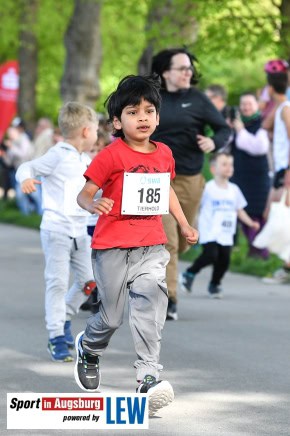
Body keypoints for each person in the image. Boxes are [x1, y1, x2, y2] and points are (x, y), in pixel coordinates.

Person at [73, 75, 199, 416]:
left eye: (149, 111)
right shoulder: (110, 156)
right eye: (133, 111)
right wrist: (93, 204)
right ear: (117, 121)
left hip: (151, 245)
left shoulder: (165, 154)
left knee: (149, 306)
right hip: (111, 246)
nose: (142, 117)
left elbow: (167, 191)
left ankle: (147, 376)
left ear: (158, 118)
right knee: (111, 317)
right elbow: (84, 194)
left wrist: (184, 223)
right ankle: (88, 347)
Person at [151, 48, 231, 320]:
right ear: (166, 72)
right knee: (168, 242)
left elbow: (223, 129)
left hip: (191, 179)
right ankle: (169, 299)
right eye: (182, 68)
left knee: (184, 241)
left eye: (190, 69)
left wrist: (213, 142)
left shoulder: (198, 99)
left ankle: (157, 276)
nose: (188, 73)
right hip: (158, 180)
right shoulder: (153, 98)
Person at [15, 102, 98, 362]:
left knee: (89, 281)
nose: (97, 134)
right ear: (86, 131)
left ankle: (63, 318)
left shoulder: (86, 160)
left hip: (80, 230)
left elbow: (95, 191)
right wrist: (25, 179)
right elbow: (26, 167)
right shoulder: (58, 154)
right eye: (96, 129)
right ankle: (55, 337)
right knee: (58, 282)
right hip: (56, 229)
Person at [180, 152, 260, 297]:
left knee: (224, 260)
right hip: (209, 229)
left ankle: (215, 284)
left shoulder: (234, 190)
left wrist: (251, 223)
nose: (228, 167)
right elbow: (197, 208)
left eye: (231, 164)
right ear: (213, 169)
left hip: (226, 231)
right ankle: (189, 273)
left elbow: (239, 209)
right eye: (224, 164)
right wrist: (192, 225)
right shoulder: (208, 188)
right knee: (211, 255)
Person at [230, 92, 270, 259]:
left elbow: (258, 147)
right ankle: (231, 252)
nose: (246, 107)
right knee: (237, 212)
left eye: (249, 104)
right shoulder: (235, 124)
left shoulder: (263, 123)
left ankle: (260, 253)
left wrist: (240, 130)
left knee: (256, 213)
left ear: (256, 106)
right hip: (239, 176)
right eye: (243, 104)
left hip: (258, 179)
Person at [262, 68, 290, 284]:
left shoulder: (286, 109)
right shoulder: (281, 107)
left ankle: (286, 267)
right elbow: (265, 125)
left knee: (280, 217)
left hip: (285, 169)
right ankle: (285, 266)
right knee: (274, 215)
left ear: (270, 87)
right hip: (280, 169)